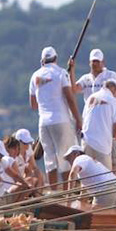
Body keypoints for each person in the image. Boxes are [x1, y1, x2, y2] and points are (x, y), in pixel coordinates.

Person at [29, 46, 82, 186]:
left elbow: (33, 105)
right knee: (65, 157)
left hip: (43, 123)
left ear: (42, 61)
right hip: (61, 121)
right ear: (56, 59)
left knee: (50, 159)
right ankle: (67, 193)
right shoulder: (61, 73)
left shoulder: (35, 76)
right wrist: (78, 119)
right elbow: (70, 98)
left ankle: (53, 192)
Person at [80, 77, 116, 169]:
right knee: (104, 178)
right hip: (102, 145)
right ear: (114, 89)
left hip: (86, 141)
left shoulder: (91, 98)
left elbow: (83, 119)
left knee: (87, 176)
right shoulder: (114, 102)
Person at [64, 145, 116, 210]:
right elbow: (83, 195)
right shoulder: (88, 166)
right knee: (112, 218)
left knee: (96, 218)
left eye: (69, 157)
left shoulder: (79, 158)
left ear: (76, 154)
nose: (69, 161)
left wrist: (68, 200)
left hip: (105, 189)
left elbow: (72, 174)